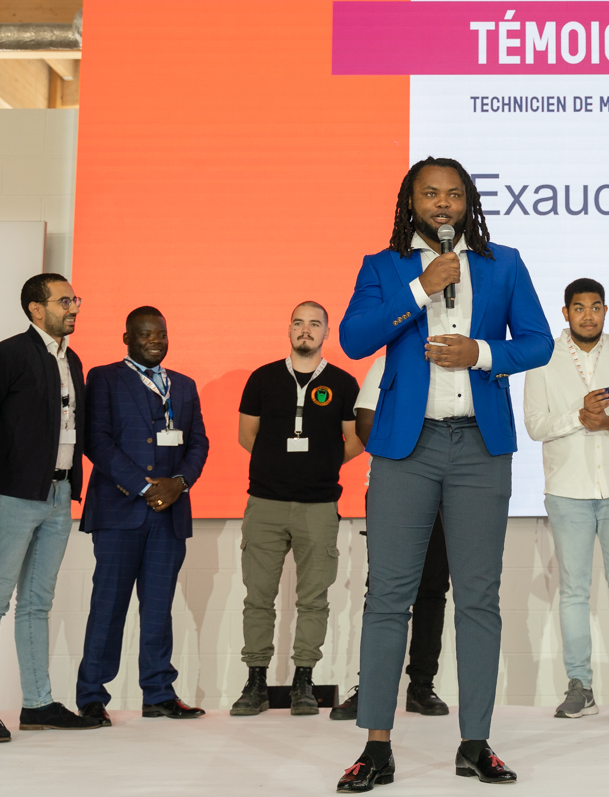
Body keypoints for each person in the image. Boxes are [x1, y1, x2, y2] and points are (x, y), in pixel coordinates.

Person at [334, 156, 552, 791]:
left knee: (479, 599)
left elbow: (538, 341)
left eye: (454, 195)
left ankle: (475, 743)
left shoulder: (503, 262)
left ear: (468, 203)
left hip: (481, 449)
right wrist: (419, 289)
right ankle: (376, 746)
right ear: (411, 201)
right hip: (407, 447)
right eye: (430, 193)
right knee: (388, 598)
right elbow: (352, 339)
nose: (443, 204)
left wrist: (482, 352)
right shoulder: (384, 266)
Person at [0, 274, 103, 741]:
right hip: (10, 494)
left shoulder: (73, 359)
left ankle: (38, 702)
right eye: (65, 301)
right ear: (35, 309)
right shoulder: (6, 355)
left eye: (74, 299)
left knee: (37, 603)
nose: (74, 307)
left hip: (59, 494)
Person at [523, 277, 609, 719]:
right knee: (574, 592)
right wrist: (577, 417)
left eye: (596, 307)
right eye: (579, 308)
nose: (588, 315)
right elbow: (534, 426)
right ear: (565, 313)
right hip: (568, 491)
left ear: (606, 310)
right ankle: (579, 685)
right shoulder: (544, 360)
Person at [75, 307, 210, 724]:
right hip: (120, 512)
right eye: (146, 333)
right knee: (108, 606)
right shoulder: (104, 378)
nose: (155, 339)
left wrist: (179, 484)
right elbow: (96, 441)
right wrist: (145, 486)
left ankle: (158, 694)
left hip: (169, 515)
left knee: (158, 607)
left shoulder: (184, 386)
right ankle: (92, 697)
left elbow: (200, 444)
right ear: (127, 338)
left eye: (161, 333)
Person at [230, 301, 362, 717]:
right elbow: (246, 435)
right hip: (265, 502)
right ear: (289, 329)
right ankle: (255, 682)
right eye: (299, 323)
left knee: (314, 598)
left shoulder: (342, 382)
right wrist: (279, 465)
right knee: (258, 597)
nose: (306, 330)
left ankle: (305, 679)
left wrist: (320, 466)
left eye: (315, 324)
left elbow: (356, 440)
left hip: (319, 506)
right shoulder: (263, 378)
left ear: (326, 332)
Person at [328, 351, 455, 722]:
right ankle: (371, 687)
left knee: (433, 589)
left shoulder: (458, 358)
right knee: (383, 591)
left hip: (447, 495)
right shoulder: (390, 360)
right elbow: (366, 425)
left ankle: (420, 686)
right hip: (395, 488)